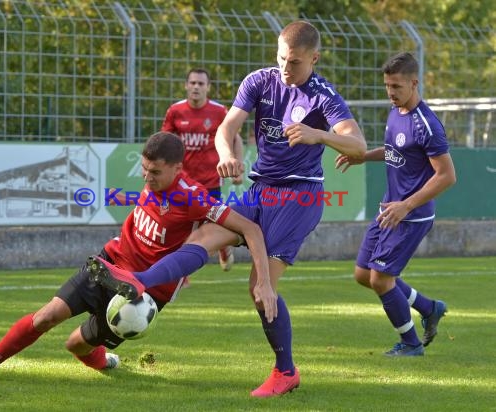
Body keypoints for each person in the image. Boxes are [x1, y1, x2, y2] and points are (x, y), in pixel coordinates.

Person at [0, 131, 277, 383]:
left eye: (155, 172)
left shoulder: (193, 198)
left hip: (145, 292)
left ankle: (104, 360)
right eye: (144, 169)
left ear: (177, 169)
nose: (147, 178)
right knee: (46, 316)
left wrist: (263, 282)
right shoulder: (153, 180)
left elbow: (250, 228)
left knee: (75, 346)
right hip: (109, 263)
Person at [208, 21, 367, 397]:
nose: (285, 68)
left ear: (314, 58)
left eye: (294, 62)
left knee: (259, 287)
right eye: (280, 58)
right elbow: (226, 128)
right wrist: (227, 155)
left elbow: (358, 145)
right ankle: (140, 291)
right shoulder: (260, 81)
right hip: (260, 189)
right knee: (199, 235)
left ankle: (286, 372)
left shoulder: (323, 96)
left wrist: (320, 135)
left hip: (300, 198)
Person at [335, 52, 456, 356]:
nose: (390, 92)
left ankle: (411, 344)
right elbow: (393, 151)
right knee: (364, 274)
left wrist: (407, 206)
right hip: (389, 210)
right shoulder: (395, 111)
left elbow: (447, 176)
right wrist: (363, 156)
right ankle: (429, 308)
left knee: (380, 279)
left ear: (414, 83)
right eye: (387, 85)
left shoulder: (426, 124)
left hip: (410, 216)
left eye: (397, 86)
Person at [162, 68, 244, 273]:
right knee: (173, 227)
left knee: (212, 224)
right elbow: (165, 143)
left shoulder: (218, 112)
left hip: (210, 182)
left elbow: (235, 138)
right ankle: (179, 272)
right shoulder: (175, 111)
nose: (196, 87)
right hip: (181, 182)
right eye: (192, 83)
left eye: (200, 83)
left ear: (208, 87)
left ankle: (223, 246)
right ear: (186, 85)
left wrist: (237, 166)